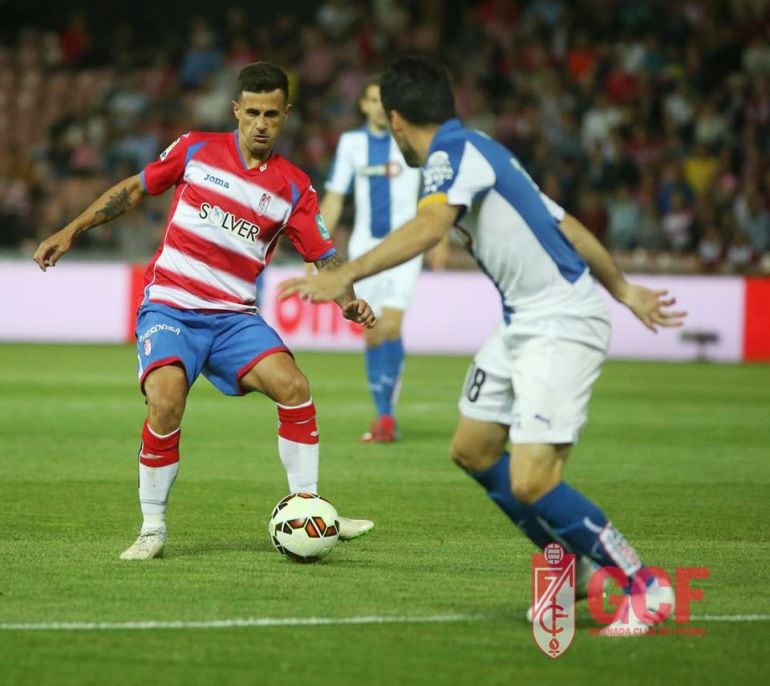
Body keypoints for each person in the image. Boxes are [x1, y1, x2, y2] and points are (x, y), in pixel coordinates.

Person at [279, 56, 687, 635]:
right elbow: (565, 224)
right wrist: (622, 286)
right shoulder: (481, 151)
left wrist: (345, 275)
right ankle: (564, 567)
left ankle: (645, 586)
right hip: (524, 322)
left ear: (395, 121)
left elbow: (429, 227)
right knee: (472, 449)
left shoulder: (452, 154)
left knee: (532, 481)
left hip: (561, 322)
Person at [33, 62, 377, 560]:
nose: (261, 123)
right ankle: (152, 528)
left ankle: (309, 507)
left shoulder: (294, 187)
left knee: (294, 387)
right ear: (236, 110)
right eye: (253, 112)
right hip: (171, 304)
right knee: (166, 400)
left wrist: (349, 297)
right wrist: (71, 230)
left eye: (272, 115)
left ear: (286, 116)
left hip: (234, 317)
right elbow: (133, 189)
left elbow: (322, 254)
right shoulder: (196, 148)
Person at [319, 79, 422, 443]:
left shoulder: (411, 138)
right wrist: (313, 246)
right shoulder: (351, 144)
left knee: (391, 325)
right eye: (374, 100)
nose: (380, 107)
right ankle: (383, 413)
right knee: (373, 330)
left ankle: (386, 417)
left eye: (386, 101)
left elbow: (434, 187)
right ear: (364, 105)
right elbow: (334, 198)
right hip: (366, 249)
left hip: (408, 245)